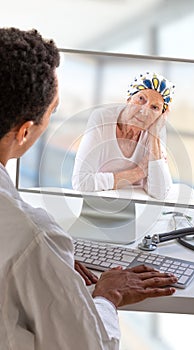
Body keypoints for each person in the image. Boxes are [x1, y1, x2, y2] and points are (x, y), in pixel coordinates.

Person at [0, 27, 178, 350]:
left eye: (155, 108)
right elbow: (90, 346)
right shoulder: (34, 237)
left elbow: (160, 189)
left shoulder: (35, 241)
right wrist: (109, 295)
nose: (145, 110)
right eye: (52, 112)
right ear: (25, 132)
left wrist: (51, 264)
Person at [72, 72, 175, 200]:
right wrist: (139, 172)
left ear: (160, 116)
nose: (144, 111)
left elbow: (160, 192)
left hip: (135, 204)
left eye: (154, 107)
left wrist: (154, 137)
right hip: (99, 201)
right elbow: (81, 182)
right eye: (141, 99)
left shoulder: (155, 129)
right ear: (129, 99)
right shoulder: (102, 118)